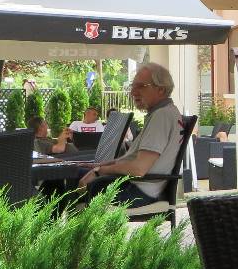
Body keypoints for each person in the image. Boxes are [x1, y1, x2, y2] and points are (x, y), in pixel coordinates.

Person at [78, 63, 184, 208]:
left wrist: (99, 172)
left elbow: (138, 169)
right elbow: (132, 160)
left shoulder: (162, 116)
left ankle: (68, 220)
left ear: (161, 89)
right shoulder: (165, 112)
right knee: (76, 173)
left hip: (137, 192)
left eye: (141, 86)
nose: (133, 92)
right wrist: (100, 166)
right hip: (137, 186)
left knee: (68, 181)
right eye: (133, 86)